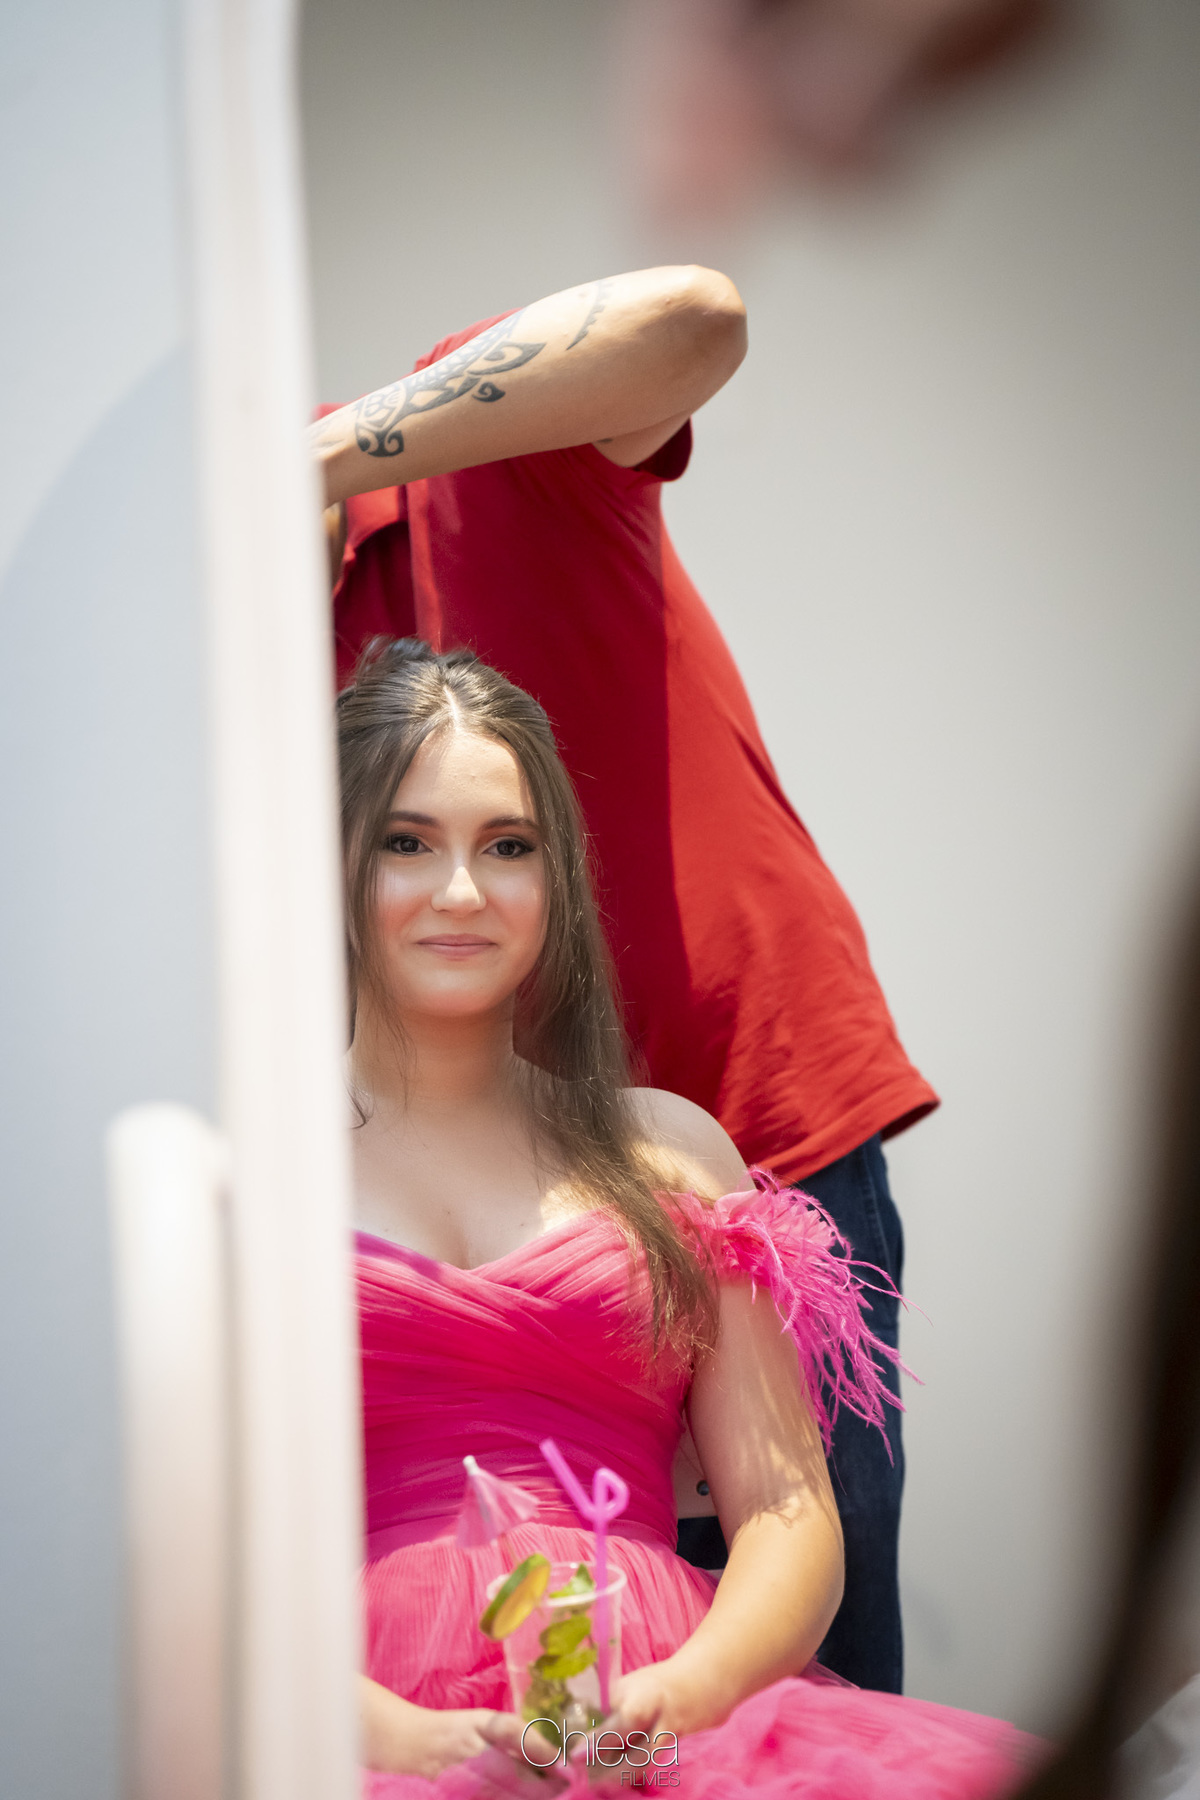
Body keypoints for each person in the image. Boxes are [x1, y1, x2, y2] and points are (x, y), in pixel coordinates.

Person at [312, 265, 938, 1693]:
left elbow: (697, 315)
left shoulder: (475, 442)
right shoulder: (271, 682)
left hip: (740, 1130)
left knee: (794, 1661)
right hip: (440, 1189)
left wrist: (323, 457)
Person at [341, 637, 1040, 1796]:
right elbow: (195, 1565)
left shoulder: (668, 1150)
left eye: (507, 846)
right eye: (406, 843)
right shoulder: (247, 1171)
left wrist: (677, 1700)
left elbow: (786, 1513)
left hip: (668, 1717)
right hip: (350, 1723)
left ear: (559, 878)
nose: (461, 890)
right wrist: (404, 1743)